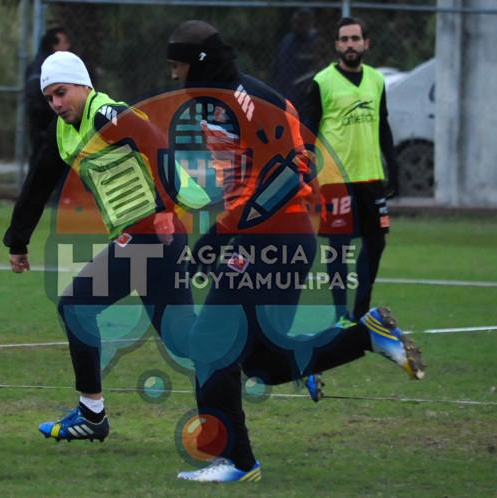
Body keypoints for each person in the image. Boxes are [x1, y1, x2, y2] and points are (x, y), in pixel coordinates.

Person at [165, 20, 424, 484]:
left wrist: (219, 237)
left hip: (275, 238)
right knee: (261, 363)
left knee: (210, 344)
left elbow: (287, 171)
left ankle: (238, 462)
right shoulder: (215, 102)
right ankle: (368, 336)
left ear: (199, 63)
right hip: (269, 236)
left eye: (178, 64)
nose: (173, 75)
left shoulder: (247, 99)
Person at [4, 51, 208, 444]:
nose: (56, 104)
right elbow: (40, 180)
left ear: (83, 85)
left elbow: (155, 142)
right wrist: (18, 239)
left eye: (61, 93)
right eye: (49, 97)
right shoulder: (65, 130)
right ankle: (274, 359)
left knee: (77, 304)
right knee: (185, 340)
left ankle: (91, 414)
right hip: (148, 235)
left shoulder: (105, 114)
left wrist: (167, 208)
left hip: (153, 230)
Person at [302, 17, 400, 323]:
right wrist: (307, 172)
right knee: (339, 248)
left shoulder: (376, 80)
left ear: (365, 43)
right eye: (344, 39)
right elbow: (307, 131)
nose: (350, 44)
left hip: (370, 177)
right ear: (337, 46)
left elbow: (382, 125)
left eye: (355, 38)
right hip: (335, 180)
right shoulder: (322, 82)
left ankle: (361, 309)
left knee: (376, 242)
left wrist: (393, 166)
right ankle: (338, 313)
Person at [24, 27, 71, 175]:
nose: (68, 47)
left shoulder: (46, 64)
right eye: (64, 42)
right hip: (44, 125)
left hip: (46, 124)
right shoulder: (45, 67)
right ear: (54, 46)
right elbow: (35, 97)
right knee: (42, 161)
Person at [269, 8, 320, 114]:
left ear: (309, 23)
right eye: (295, 22)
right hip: (285, 93)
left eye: (301, 23)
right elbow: (276, 66)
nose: (297, 26)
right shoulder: (287, 41)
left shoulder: (316, 42)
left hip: (306, 99)